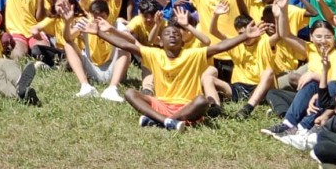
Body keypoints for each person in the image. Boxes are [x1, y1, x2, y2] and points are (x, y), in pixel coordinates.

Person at [84, 12, 262, 130]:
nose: (172, 35)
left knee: (202, 101)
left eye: (176, 34)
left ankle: (159, 121)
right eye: (168, 33)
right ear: (160, 41)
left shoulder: (193, 54)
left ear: (182, 41)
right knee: (130, 92)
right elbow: (126, 45)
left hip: (186, 106)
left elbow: (220, 46)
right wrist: (100, 33)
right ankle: (166, 121)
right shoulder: (154, 53)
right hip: (160, 104)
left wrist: (245, 36)